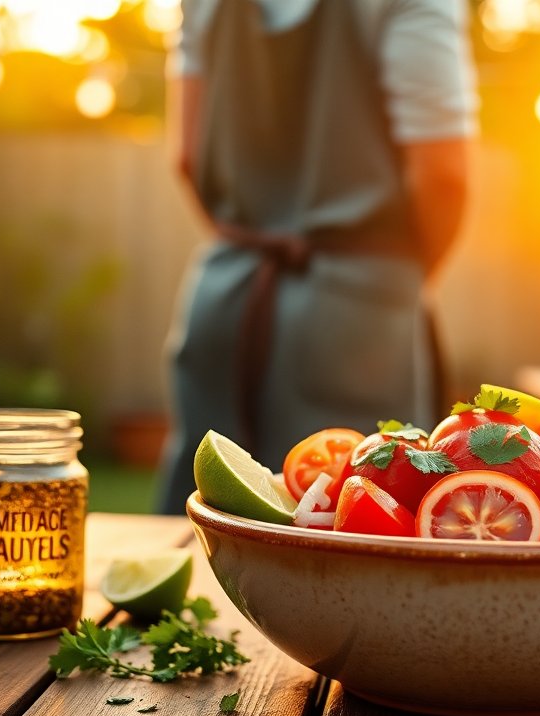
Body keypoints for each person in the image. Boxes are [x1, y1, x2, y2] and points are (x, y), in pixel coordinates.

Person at [155, 0, 477, 516]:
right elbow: (443, 175)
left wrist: (253, 233)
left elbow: (188, 155)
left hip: (226, 295)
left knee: (202, 530)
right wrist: (393, 276)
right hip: (358, 316)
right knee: (359, 539)